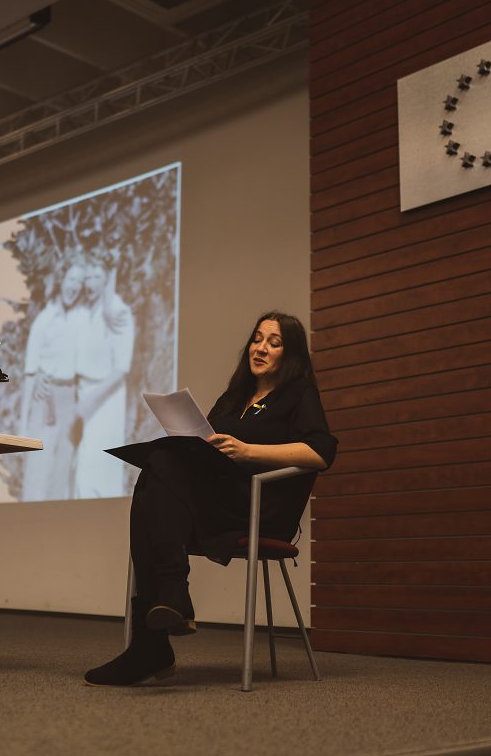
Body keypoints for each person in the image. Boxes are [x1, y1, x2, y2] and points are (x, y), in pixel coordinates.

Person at [84, 311, 338, 686]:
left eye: (274, 342)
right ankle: (166, 609)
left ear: (291, 354)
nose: (261, 348)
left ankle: (153, 638)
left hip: (259, 506)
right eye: (257, 339)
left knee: (159, 468)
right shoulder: (234, 397)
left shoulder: (298, 394)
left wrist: (248, 451)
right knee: (156, 471)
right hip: (220, 500)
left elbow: (320, 452)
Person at [19, 261, 86, 502]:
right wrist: (23, 425)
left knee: (63, 468)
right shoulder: (44, 319)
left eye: (80, 282)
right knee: (38, 468)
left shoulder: (82, 319)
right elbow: (30, 373)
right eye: (71, 279)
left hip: (70, 397)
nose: (75, 286)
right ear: (61, 281)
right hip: (45, 398)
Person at [73, 258, 135, 499]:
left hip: (106, 400)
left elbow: (121, 369)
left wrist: (90, 400)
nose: (91, 283)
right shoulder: (84, 312)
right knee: (82, 471)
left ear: (107, 279)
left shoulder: (118, 312)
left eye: (97, 277)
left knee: (100, 471)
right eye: (87, 277)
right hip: (83, 395)